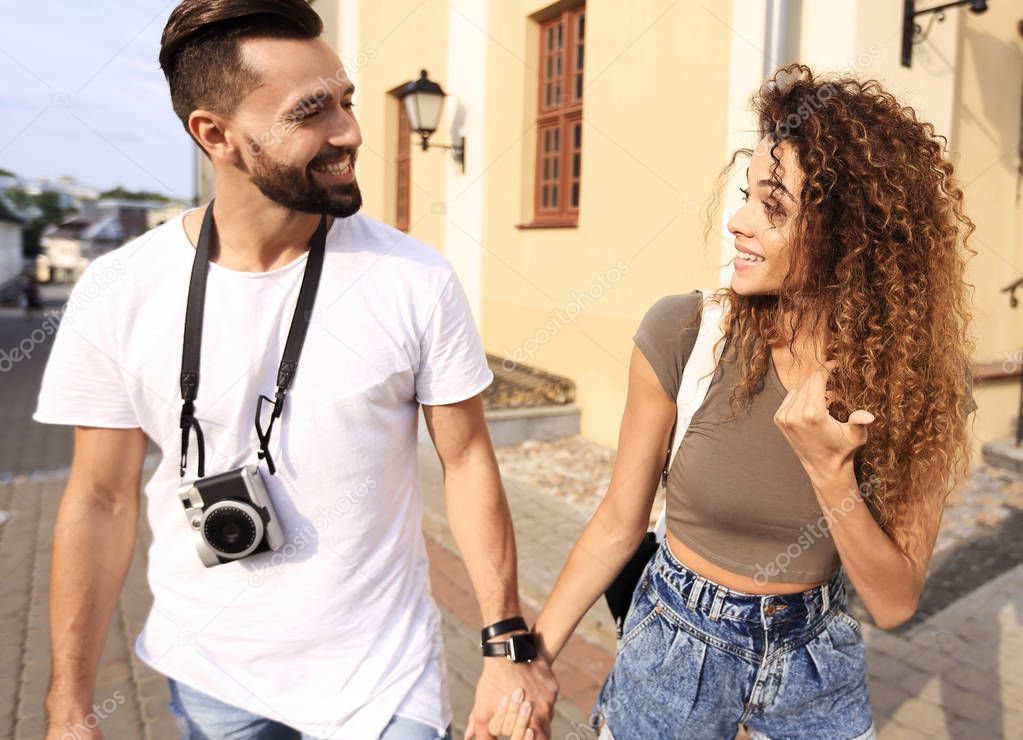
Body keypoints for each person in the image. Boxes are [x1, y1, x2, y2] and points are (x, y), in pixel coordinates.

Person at [34, 2, 557, 738]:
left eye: (344, 99)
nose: (349, 130)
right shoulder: (118, 289)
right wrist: (68, 704)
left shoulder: (414, 279)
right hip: (211, 676)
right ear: (215, 136)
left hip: (380, 683)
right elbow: (100, 498)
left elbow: (467, 458)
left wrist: (506, 643)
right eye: (312, 111)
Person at [485, 64, 978, 739]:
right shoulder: (683, 333)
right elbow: (615, 525)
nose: (738, 223)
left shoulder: (916, 386)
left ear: (849, 239)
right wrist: (526, 664)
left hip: (815, 662)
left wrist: (830, 475)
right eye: (746, 195)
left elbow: (892, 602)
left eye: (772, 207)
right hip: (673, 652)